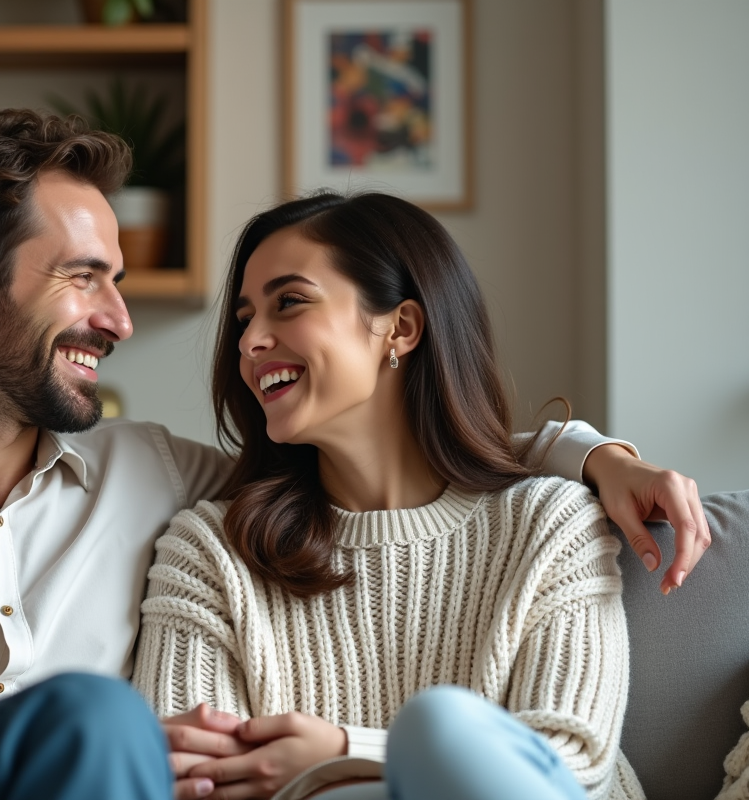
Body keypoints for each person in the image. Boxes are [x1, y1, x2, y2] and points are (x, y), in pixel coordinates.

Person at [0, 111, 703, 800]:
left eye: (118, 280)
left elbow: (391, 469)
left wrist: (585, 454)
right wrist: (17, 752)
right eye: (85, 277)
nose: (119, 318)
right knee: (95, 722)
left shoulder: (158, 480)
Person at [132, 192, 650, 800]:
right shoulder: (211, 552)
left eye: (289, 302)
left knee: (443, 725)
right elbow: (189, 779)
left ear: (400, 328)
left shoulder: (550, 524)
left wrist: (343, 753)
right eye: (246, 318)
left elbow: (570, 765)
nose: (250, 342)